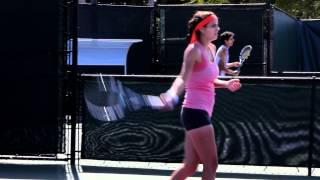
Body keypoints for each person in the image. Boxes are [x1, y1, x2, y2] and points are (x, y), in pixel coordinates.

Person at [160, 11, 241, 180]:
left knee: (190, 165)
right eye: (213, 26)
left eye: (218, 25)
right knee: (211, 164)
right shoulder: (193, 50)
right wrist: (172, 93)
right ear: (202, 29)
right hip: (195, 112)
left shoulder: (211, 48)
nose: (218, 29)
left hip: (200, 112)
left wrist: (226, 84)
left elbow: (208, 80)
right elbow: (183, 77)